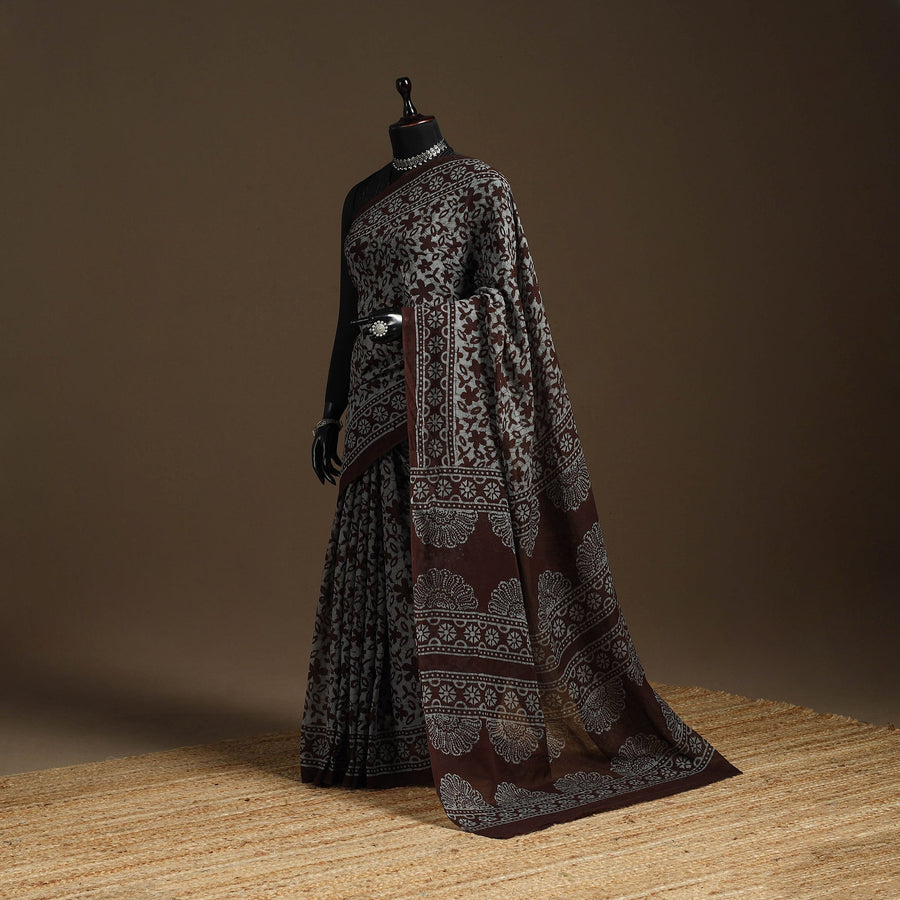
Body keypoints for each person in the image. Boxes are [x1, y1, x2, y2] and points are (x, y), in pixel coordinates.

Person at [301, 79, 740, 838]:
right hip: (374, 409)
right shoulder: (359, 198)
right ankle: (388, 745)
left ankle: (473, 745)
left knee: (442, 569)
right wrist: (329, 409)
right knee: (381, 570)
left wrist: (413, 325)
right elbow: (348, 314)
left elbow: (507, 307)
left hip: (445, 413)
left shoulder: (480, 188)